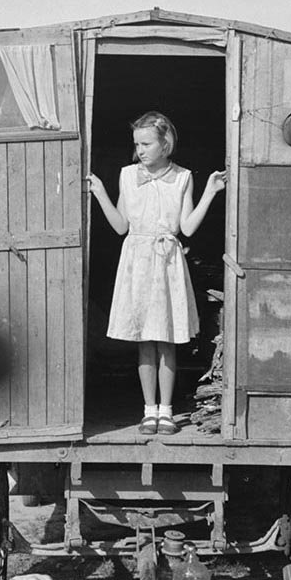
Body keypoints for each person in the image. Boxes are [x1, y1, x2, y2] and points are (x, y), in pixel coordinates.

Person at [87, 111, 226, 436]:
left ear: (166, 143)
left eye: (147, 143)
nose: (141, 150)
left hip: (167, 263)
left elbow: (187, 227)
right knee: (144, 341)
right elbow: (121, 226)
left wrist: (209, 191)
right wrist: (100, 193)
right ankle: (149, 410)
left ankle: (167, 411)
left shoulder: (183, 177)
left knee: (166, 341)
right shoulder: (126, 175)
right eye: (137, 144)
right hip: (136, 261)